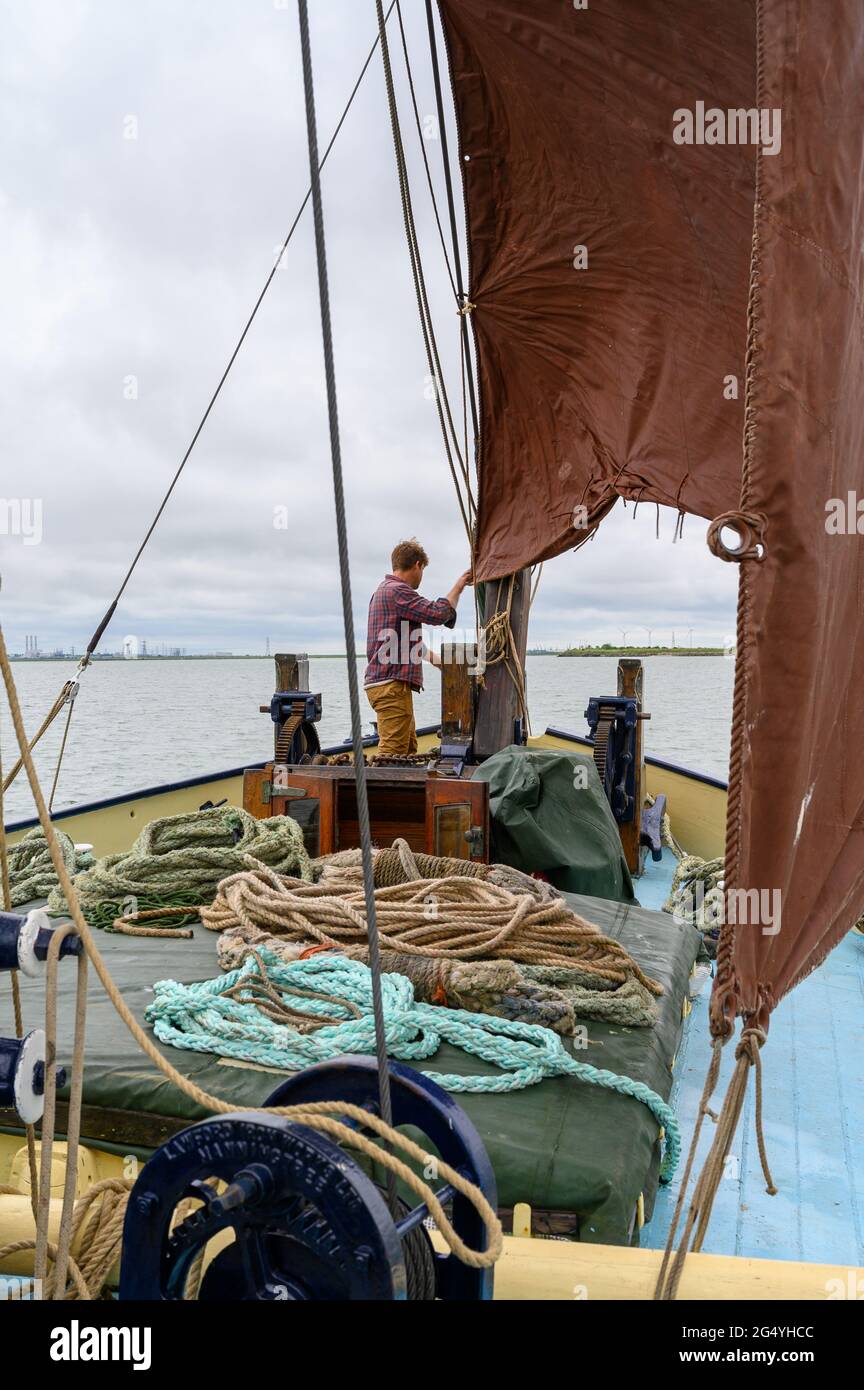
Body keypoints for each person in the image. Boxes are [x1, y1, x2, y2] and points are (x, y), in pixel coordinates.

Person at [364, 539, 472, 756]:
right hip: (391, 686)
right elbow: (438, 613)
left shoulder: (383, 591)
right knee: (392, 756)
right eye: (423, 570)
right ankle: (377, 790)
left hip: (386, 684)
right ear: (417, 565)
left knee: (408, 751)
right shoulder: (398, 591)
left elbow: (404, 641)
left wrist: (437, 661)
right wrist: (459, 585)